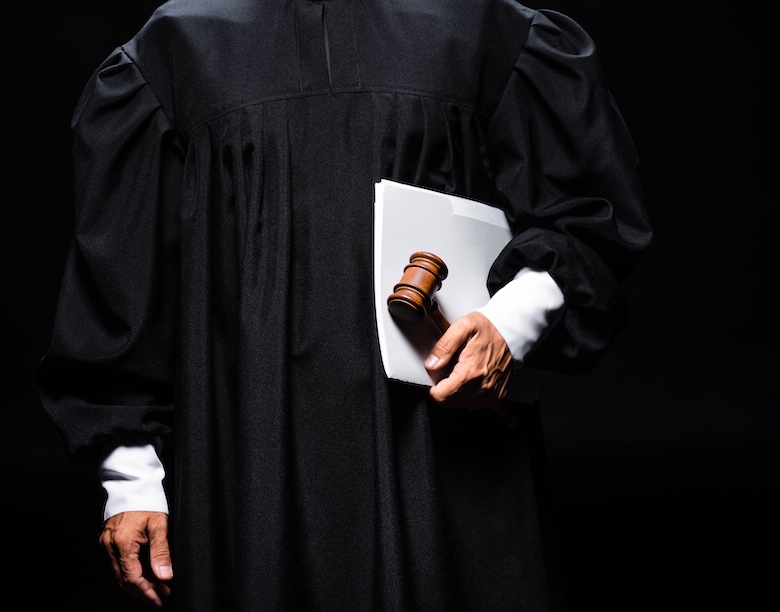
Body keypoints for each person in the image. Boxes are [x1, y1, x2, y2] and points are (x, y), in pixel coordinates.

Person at [38, 0, 653, 610]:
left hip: (445, 453)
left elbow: (590, 216)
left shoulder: (482, 25)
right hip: (250, 452)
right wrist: (132, 481)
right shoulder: (175, 48)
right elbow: (125, 281)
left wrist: (508, 324)